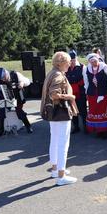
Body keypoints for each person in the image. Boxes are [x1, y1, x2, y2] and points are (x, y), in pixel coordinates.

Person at [40, 51, 78, 186]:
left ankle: (55, 170)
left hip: (52, 113)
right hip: (60, 112)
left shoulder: (52, 72)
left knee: (55, 140)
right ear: (61, 63)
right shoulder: (58, 75)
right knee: (63, 144)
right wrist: (70, 97)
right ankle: (61, 176)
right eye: (68, 62)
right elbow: (54, 94)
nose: (70, 64)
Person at [0, 68, 33, 137]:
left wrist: (22, 83)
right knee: (0, 112)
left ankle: (28, 126)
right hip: (4, 96)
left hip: (17, 95)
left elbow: (28, 81)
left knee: (19, 111)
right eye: (2, 80)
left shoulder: (16, 74)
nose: (4, 80)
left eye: (5, 78)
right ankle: (1, 131)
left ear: (6, 74)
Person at [83, 53, 107, 139]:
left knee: (103, 111)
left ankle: (105, 131)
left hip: (103, 93)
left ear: (98, 60)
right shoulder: (87, 69)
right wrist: (86, 92)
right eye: (91, 62)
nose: (93, 63)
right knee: (94, 111)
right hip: (92, 94)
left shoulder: (105, 67)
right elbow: (86, 81)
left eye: (95, 61)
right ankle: (98, 130)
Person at [65, 50, 87, 134]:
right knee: (72, 110)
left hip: (80, 92)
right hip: (70, 92)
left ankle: (85, 127)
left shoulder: (82, 67)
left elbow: (85, 80)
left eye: (73, 60)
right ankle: (76, 127)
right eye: (70, 61)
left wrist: (78, 85)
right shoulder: (66, 68)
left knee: (83, 111)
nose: (71, 62)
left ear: (76, 59)